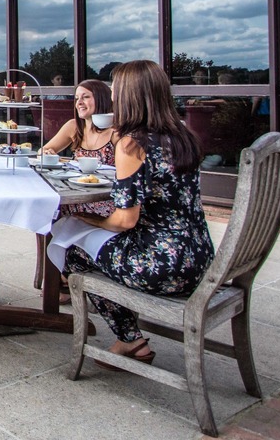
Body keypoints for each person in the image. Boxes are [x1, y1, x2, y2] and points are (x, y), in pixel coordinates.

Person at [65, 60, 215, 367]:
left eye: (117, 92)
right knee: (96, 244)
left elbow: (125, 220)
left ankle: (130, 339)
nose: (115, 98)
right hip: (200, 263)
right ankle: (129, 328)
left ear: (130, 97)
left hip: (160, 267)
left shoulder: (133, 143)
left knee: (73, 250)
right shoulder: (184, 136)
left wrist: (89, 220)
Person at [40, 79, 116, 302]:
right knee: (49, 211)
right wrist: (61, 159)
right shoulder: (75, 127)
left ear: (100, 99)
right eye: (76, 98)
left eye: (86, 97)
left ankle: (66, 275)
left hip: (106, 198)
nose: (79, 103)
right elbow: (47, 150)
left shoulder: (116, 132)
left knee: (63, 212)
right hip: (77, 193)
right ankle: (61, 274)